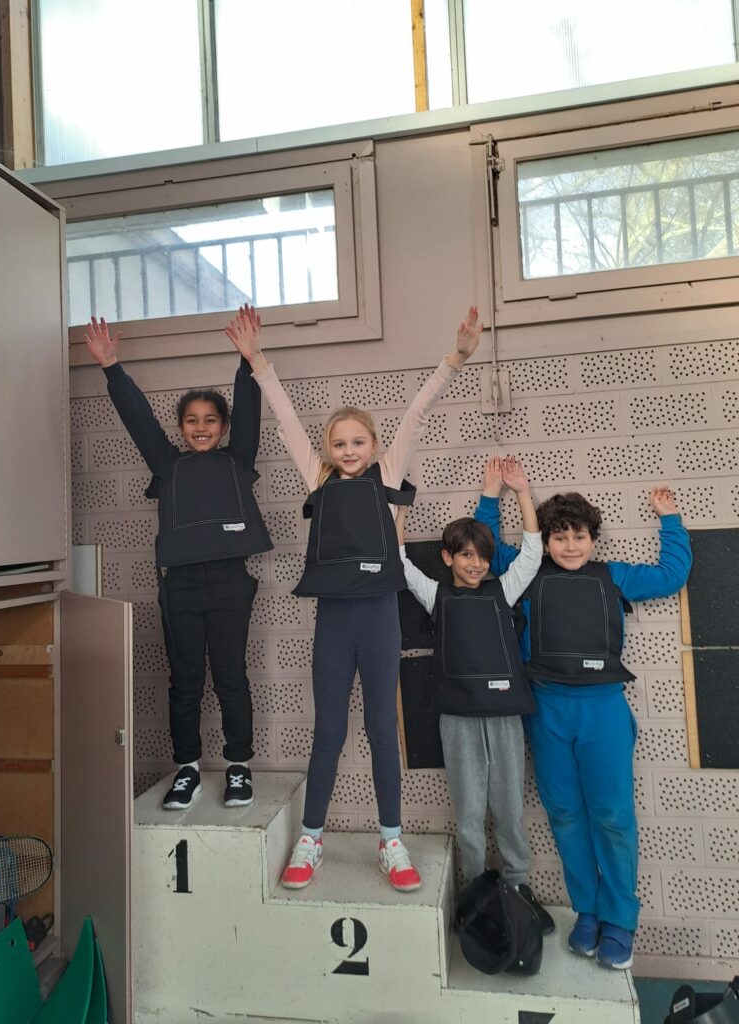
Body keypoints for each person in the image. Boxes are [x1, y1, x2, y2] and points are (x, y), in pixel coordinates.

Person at [225, 304, 482, 892]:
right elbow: (286, 418)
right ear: (327, 449)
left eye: (358, 441)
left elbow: (417, 413)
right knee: (330, 732)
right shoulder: (318, 480)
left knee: (382, 730)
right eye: (338, 442)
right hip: (335, 621)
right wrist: (257, 361)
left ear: (373, 445)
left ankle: (391, 840)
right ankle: (311, 838)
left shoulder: (387, 477)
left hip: (380, 617)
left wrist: (456, 359)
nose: (348, 449)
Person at [475, 481, 692, 970]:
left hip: (603, 711)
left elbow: (671, 575)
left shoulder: (612, 576)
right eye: (559, 537)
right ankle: (587, 911)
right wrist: (492, 496)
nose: (570, 546)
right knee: (565, 814)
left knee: (612, 816)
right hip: (546, 710)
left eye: (579, 537)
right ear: (546, 540)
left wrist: (670, 520)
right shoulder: (529, 572)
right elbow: (487, 550)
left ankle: (620, 918)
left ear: (594, 540)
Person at [83, 316, 272, 811]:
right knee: (185, 681)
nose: (201, 427)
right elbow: (139, 420)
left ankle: (238, 767)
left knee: (230, 677)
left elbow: (250, 411)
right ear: (181, 427)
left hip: (230, 582)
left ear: (224, 427)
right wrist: (111, 366)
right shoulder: (168, 464)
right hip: (180, 586)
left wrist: (248, 360)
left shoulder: (238, 459)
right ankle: (187, 768)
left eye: (211, 420)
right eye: (192, 420)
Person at [396, 456, 553, 933]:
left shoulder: (503, 590)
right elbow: (398, 560)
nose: (475, 563)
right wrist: (399, 508)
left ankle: (518, 886)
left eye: (482, 556)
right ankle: (476, 891)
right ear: (448, 558)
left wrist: (520, 492)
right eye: (465, 555)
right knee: (467, 813)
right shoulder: (436, 596)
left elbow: (531, 552)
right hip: (459, 718)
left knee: (508, 809)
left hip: (504, 715)